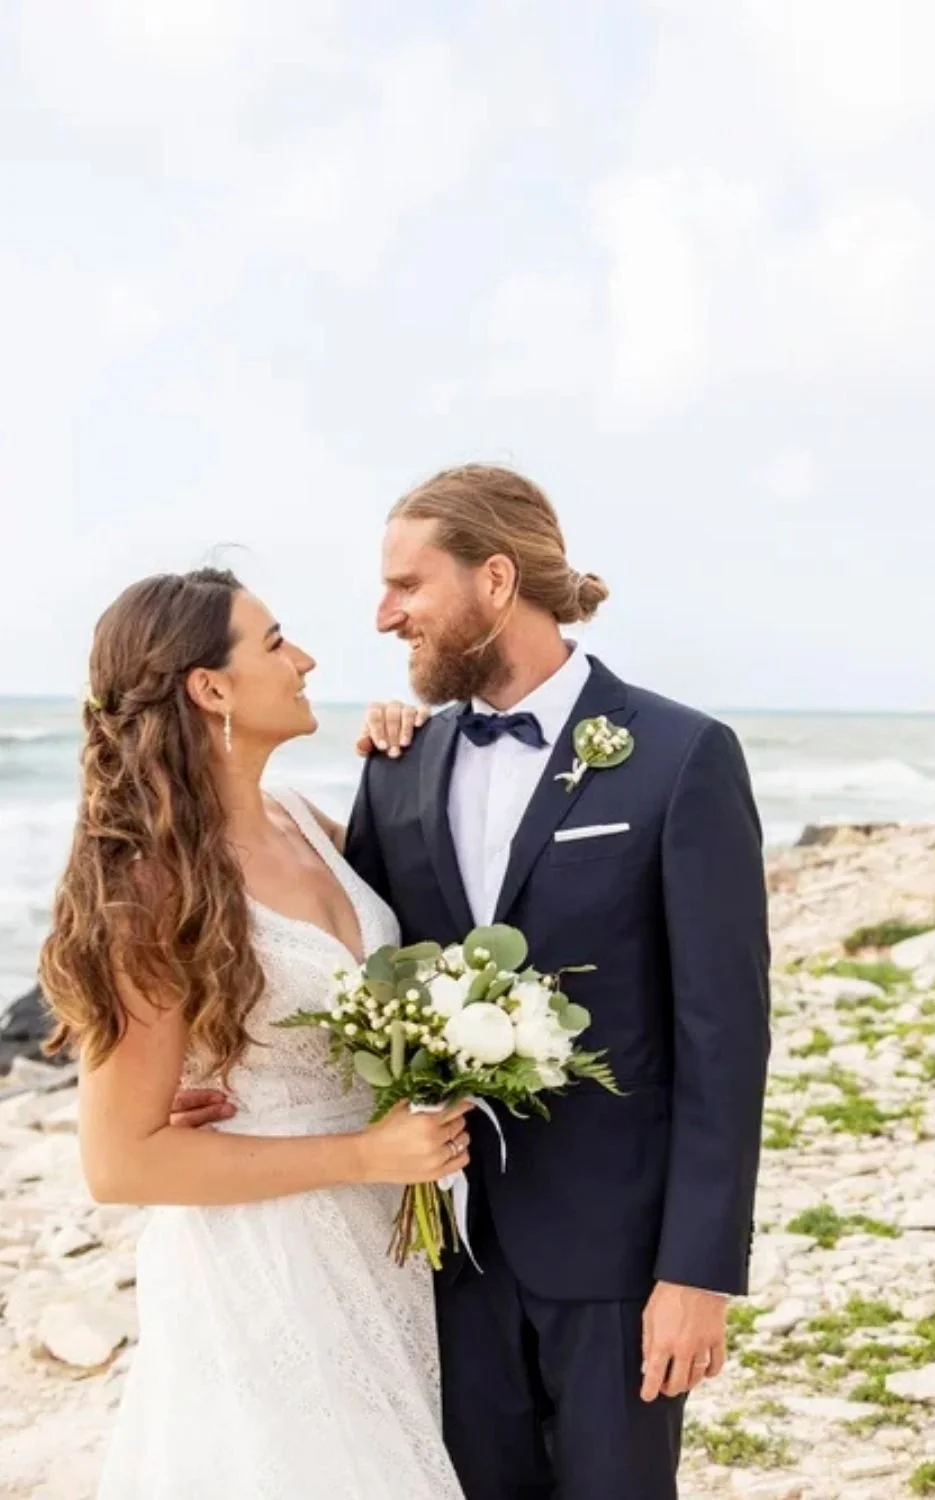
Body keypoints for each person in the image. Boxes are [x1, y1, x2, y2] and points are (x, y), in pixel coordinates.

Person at [184, 465, 773, 1499]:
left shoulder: (681, 757)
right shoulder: (400, 763)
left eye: (407, 586)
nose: (381, 615)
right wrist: (214, 1066)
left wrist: (698, 1274)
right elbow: (344, 959)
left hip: (616, 1259)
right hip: (431, 1257)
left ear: (495, 580)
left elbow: (724, 1039)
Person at [40, 568, 474, 1499]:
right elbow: (120, 1166)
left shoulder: (306, 824)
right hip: (263, 1266)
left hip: (379, 1244)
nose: (306, 659)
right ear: (212, 688)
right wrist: (367, 1154)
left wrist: (403, 765)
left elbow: (424, 930)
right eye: (277, 642)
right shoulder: (150, 889)